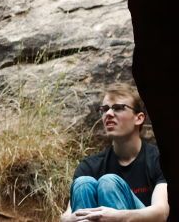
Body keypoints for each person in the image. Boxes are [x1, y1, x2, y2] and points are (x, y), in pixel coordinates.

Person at [61, 83, 169, 222]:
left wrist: (118, 217)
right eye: (105, 109)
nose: (109, 114)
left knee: (108, 182)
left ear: (139, 118)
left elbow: (161, 212)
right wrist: (70, 219)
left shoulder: (159, 159)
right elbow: (66, 215)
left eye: (118, 108)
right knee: (83, 183)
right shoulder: (89, 166)